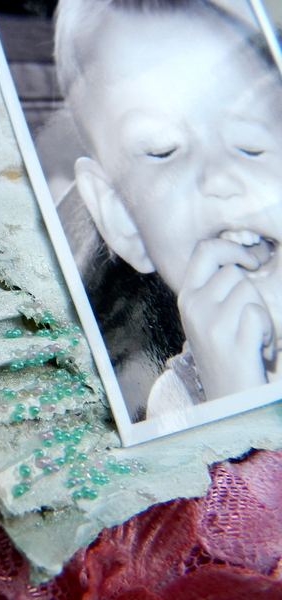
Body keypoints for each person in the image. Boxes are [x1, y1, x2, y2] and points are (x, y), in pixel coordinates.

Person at [53, 0, 282, 419]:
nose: (218, 177)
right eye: (163, 150)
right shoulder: (176, 403)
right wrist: (233, 398)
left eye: (250, 143)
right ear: (122, 219)